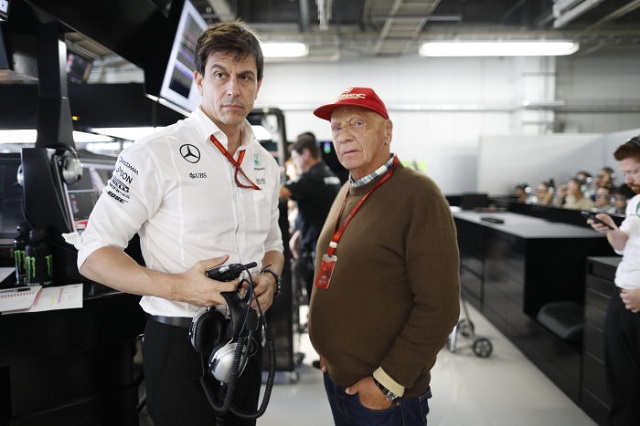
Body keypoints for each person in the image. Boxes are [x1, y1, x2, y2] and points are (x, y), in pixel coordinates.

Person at [73, 21, 284, 426]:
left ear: (258, 85)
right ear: (199, 81)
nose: (233, 89)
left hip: (246, 338)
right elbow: (94, 254)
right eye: (220, 75)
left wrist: (271, 276)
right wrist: (180, 287)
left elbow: (272, 241)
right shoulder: (154, 152)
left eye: (245, 77)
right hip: (181, 340)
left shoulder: (265, 162)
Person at [307, 87, 460, 425]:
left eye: (357, 123)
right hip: (339, 379)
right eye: (336, 127)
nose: (344, 135)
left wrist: (388, 382)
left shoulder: (419, 195)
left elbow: (440, 306)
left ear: (387, 131)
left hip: (385, 397)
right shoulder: (348, 189)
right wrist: (328, 350)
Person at [584, 136, 640, 425]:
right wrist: (609, 228)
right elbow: (623, 245)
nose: (628, 179)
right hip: (624, 294)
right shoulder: (636, 202)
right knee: (621, 380)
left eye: (635, 171)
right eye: (625, 172)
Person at [280, 132, 341, 304]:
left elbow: (278, 193)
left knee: (316, 302)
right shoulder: (329, 174)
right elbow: (318, 210)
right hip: (328, 248)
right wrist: (299, 233)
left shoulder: (310, 178)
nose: (294, 163)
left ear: (306, 154)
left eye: (295, 158)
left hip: (316, 253)